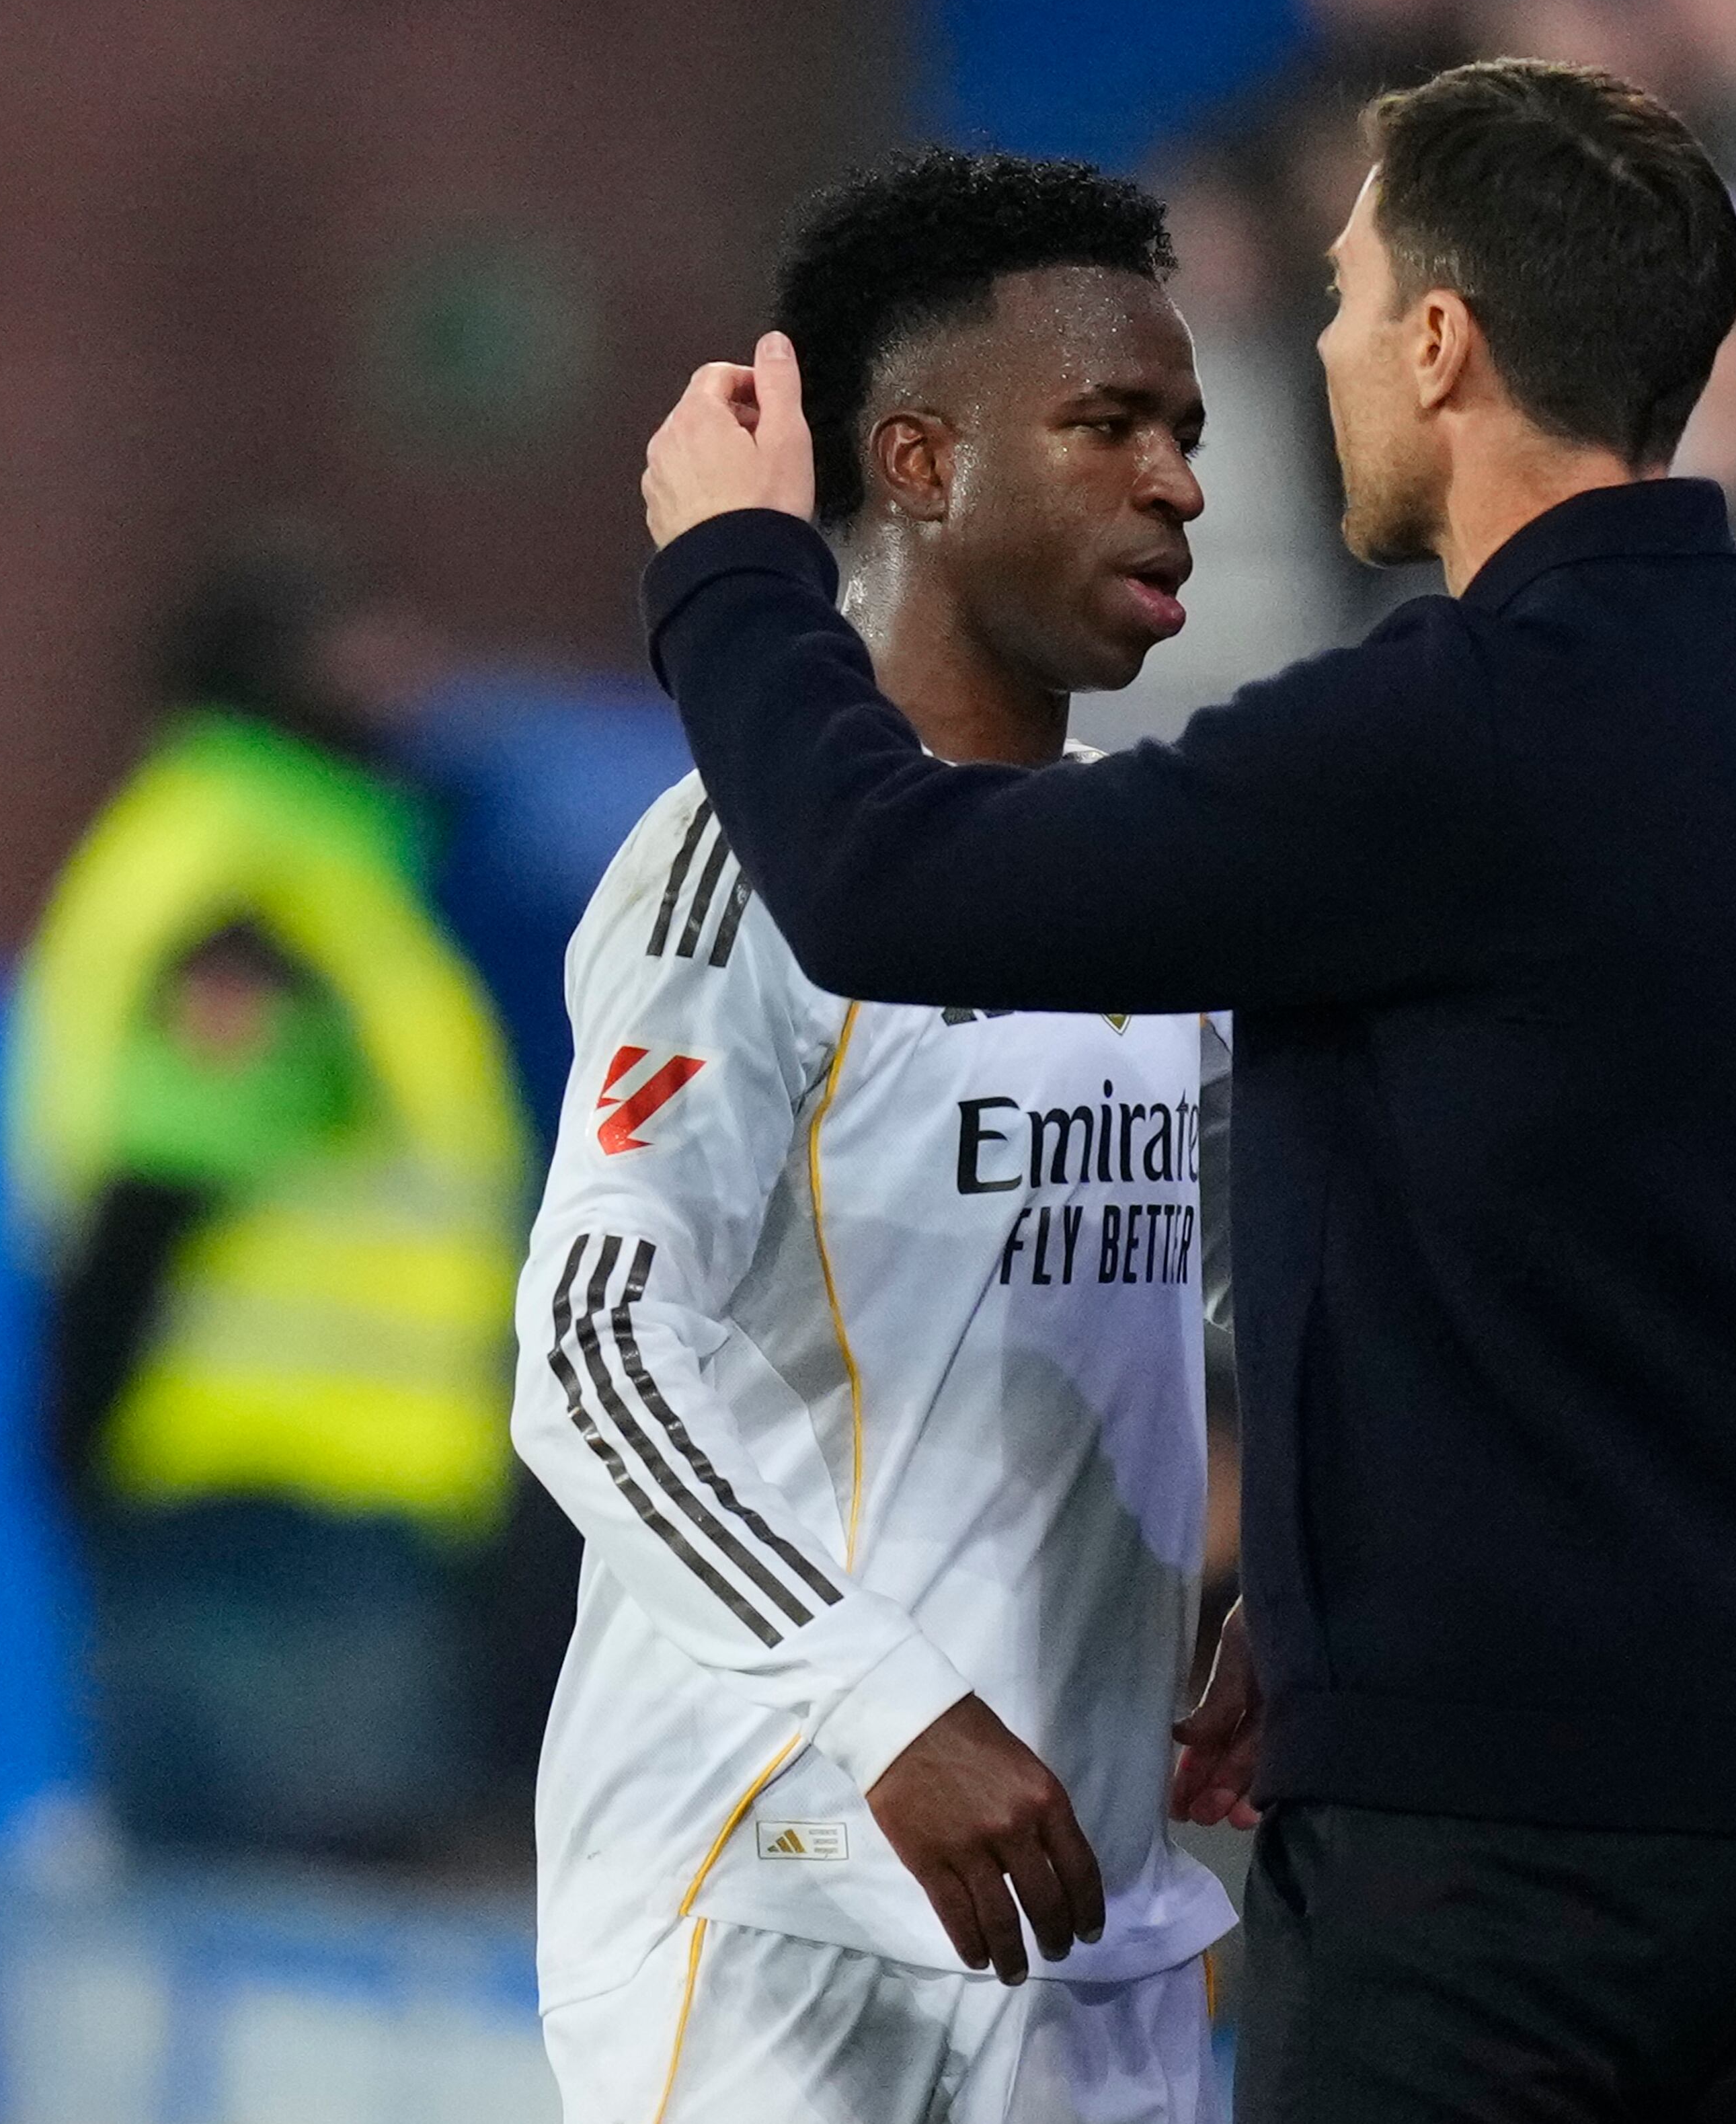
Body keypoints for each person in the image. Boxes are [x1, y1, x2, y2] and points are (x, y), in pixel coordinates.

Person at [637, 62, 1736, 2119]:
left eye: (1340, 302)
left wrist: (729, 573)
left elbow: (888, 882)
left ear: (1440, 342)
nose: (1310, 360)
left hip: (1494, 1893)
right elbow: (1609, 1252)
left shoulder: (1447, 738)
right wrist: (1328, 1610)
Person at [515, 152, 1244, 2124]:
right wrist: (881, 1699)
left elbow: (1192, 1323)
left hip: (1093, 1933)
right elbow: (588, 1356)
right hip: (774, 1915)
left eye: (1185, 430)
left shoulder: (1159, 880)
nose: (1177, 479)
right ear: (915, 466)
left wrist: (1288, 1580)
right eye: (1109, 425)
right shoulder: (723, 867)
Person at [3, 537, 529, 1864]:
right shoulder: (247, 878)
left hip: (328, 1491)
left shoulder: (323, 866)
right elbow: (160, 1176)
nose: (407, 683)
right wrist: (78, 1427)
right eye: (359, 649)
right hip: (260, 1496)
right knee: (303, 1904)